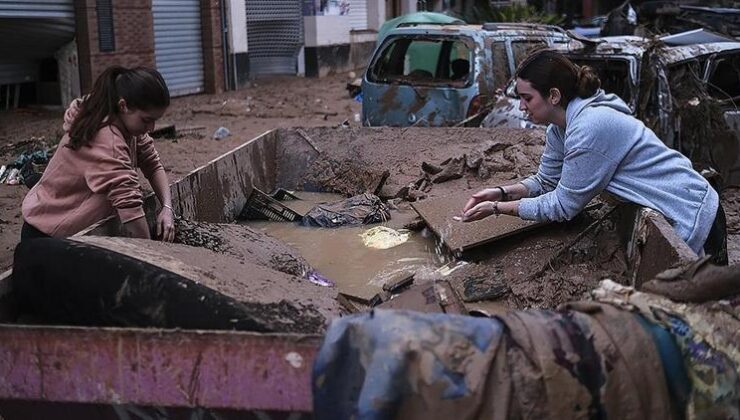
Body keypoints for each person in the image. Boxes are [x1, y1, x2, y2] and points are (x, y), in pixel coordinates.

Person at [461, 49, 727, 265]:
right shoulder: (559, 129)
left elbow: (563, 206)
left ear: (553, 95)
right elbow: (546, 181)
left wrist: (497, 210)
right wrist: (501, 192)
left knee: (711, 316)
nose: (521, 106)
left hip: (693, 211)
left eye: (526, 98)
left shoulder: (589, 127)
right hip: (677, 205)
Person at [21, 66, 176, 242]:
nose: (151, 128)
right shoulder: (106, 140)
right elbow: (129, 208)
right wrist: (152, 257)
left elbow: (153, 164)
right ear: (123, 105)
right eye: (147, 120)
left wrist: (167, 208)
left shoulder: (127, 124)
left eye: (155, 120)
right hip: (49, 233)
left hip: (72, 226)